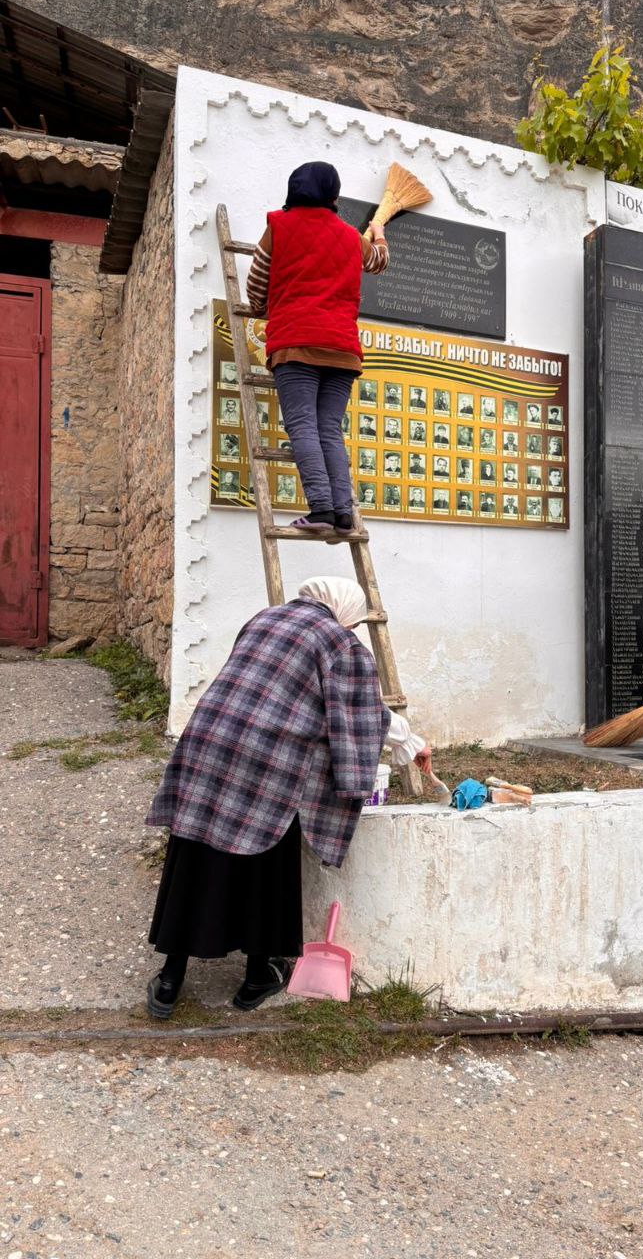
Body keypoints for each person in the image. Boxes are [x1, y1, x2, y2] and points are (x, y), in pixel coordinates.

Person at [144, 577, 429, 1018]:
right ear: (344, 612)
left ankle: (169, 982)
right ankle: (257, 975)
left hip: (209, 742)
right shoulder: (340, 643)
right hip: (268, 760)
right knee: (265, 863)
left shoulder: (264, 617)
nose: (352, 630)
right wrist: (410, 742)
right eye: (353, 623)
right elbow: (363, 713)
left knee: (195, 856)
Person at [246, 162, 389, 534]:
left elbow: (257, 282)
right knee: (329, 428)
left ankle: (321, 509)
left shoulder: (279, 226)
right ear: (334, 196)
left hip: (296, 343)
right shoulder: (350, 237)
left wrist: (263, 308)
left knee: (302, 424)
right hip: (343, 349)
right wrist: (379, 232)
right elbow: (378, 262)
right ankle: (343, 513)